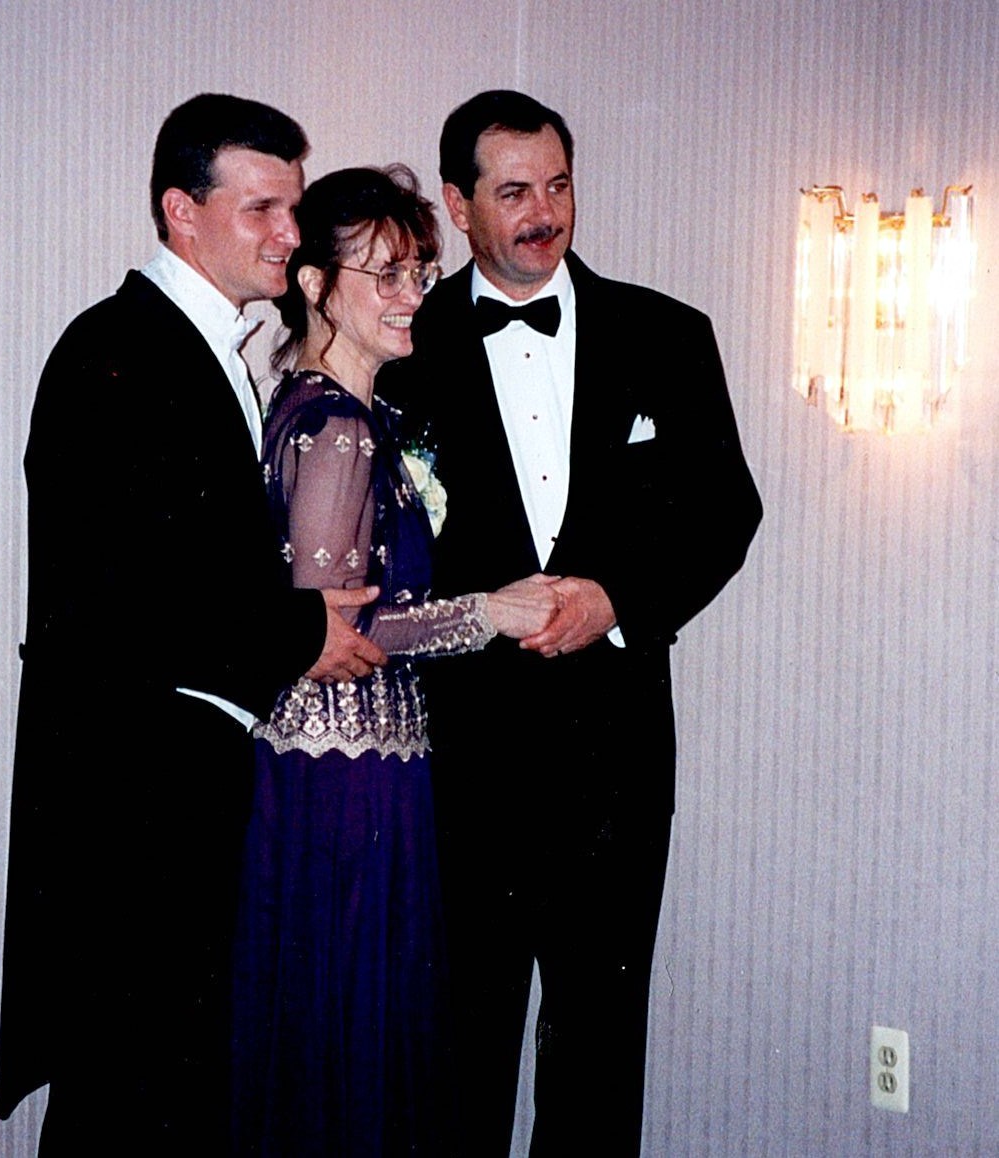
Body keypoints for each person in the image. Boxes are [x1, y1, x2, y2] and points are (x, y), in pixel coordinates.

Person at [0, 93, 390, 1154]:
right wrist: (300, 632)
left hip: (180, 794)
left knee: (173, 1096)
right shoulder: (115, 350)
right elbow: (131, 582)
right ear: (181, 211)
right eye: (260, 206)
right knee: (133, 1102)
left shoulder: (209, 345)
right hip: (134, 806)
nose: (287, 233)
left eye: (292, 207)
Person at [377, 91, 763, 1155]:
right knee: (454, 1055)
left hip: (615, 765)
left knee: (598, 1056)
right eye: (512, 192)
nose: (543, 212)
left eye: (556, 184)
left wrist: (615, 602)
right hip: (458, 770)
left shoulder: (666, 334)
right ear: (457, 204)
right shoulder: (400, 354)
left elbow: (726, 509)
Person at [230, 165, 560, 1157]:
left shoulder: (348, 413)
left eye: (417, 269)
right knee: (346, 1043)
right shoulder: (333, 425)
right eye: (380, 273)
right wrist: (489, 614)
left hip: (362, 777)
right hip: (342, 788)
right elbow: (344, 640)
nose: (410, 292)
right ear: (317, 284)